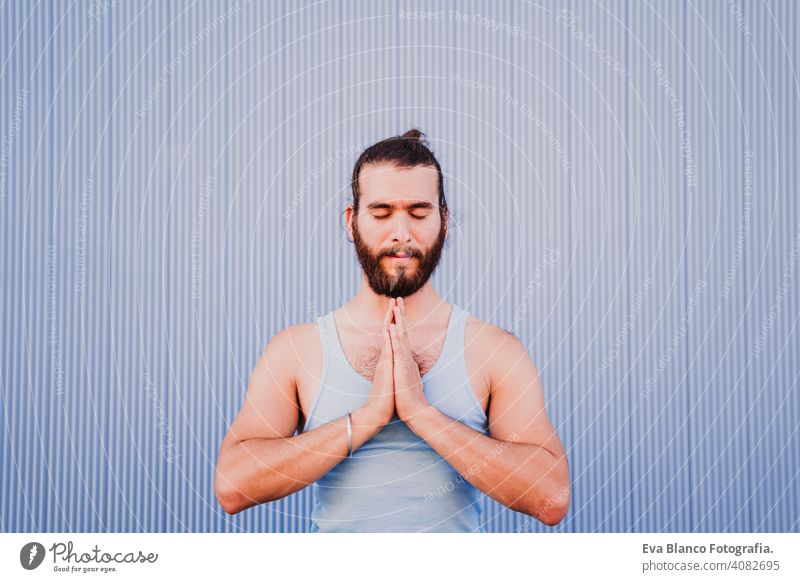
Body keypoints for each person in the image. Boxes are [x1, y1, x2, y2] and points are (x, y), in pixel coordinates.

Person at [214, 129, 570, 532]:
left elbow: (551, 498)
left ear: (445, 220)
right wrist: (367, 418)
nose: (401, 232)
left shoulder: (494, 350)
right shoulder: (297, 350)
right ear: (352, 221)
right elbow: (232, 486)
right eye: (382, 213)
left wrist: (421, 414)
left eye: (418, 213)